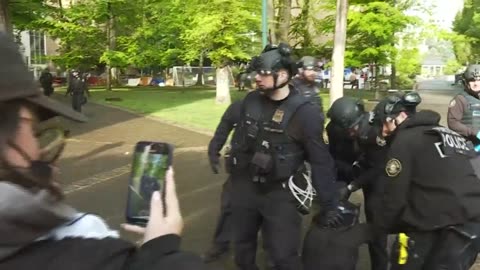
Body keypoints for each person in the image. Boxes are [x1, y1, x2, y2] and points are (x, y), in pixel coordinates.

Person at [0, 32, 208, 270]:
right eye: (34, 129)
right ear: (14, 126)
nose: (41, 149)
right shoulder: (88, 251)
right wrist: (162, 249)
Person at [228, 43, 340, 270]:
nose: (257, 78)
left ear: (282, 75)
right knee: (242, 248)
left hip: (281, 194)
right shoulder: (250, 101)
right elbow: (240, 139)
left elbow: (321, 161)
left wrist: (329, 204)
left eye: (263, 74)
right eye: (256, 73)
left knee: (283, 256)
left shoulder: (305, 113)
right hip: (245, 189)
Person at [370, 93, 480, 269]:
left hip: (440, 226)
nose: (383, 131)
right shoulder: (448, 134)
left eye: (384, 123)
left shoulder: (405, 140)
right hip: (472, 225)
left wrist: (379, 228)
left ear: (400, 117)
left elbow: (394, 196)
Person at [327, 96, 391, 270]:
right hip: (347, 168)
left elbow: (379, 168)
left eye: (354, 128)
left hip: (374, 174)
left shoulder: (376, 131)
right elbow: (333, 157)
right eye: (347, 130)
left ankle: (379, 265)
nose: (351, 133)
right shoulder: (334, 128)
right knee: (336, 213)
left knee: (376, 223)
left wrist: (353, 186)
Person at [203, 99, 243, 262]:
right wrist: (213, 151)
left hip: (272, 170)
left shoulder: (284, 105)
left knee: (274, 211)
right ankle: (220, 243)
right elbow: (223, 129)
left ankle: (275, 252)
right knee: (229, 205)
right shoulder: (240, 106)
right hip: (241, 167)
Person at [448, 64, 480, 146]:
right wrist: (474, 132)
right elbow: (452, 122)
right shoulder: (460, 99)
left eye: (479, 80)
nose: (476, 83)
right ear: (466, 82)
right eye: (472, 80)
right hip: (468, 145)